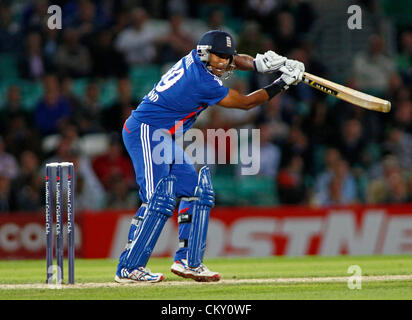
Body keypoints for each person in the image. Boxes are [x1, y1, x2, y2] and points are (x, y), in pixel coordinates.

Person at [115, 30, 305, 283]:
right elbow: (246, 103)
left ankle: (188, 262)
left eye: (226, 58)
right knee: (157, 199)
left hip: (163, 137)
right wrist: (281, 83)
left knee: (196, 192)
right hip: (146, 132)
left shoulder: (200, 57)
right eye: (219, 58)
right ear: (206, 55)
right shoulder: (201, 81)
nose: (223, 63)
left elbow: (236, 60)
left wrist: (265, 63)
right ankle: (129, 267)